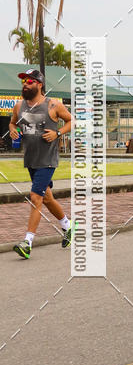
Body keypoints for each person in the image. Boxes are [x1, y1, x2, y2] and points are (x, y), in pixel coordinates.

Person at [9, 69, 73, 259]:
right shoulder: (18, 106)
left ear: (39, 84)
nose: (25, 84)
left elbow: (71, 121)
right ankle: (68, 227)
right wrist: (12, 130)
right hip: (31, 160)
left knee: (36, 197)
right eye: (23, 81)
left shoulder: (53, 105)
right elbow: (13, 123)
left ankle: (27, 243)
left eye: (29, 81)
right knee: (46, 198)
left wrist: (58, 133)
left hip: (48, 160)